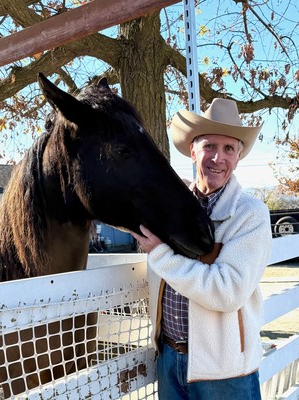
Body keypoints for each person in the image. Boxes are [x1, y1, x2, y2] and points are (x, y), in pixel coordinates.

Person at [131, 98, 272, 400]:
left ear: (238, 157)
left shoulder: (250, 214)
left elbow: (227, 291)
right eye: (209, 146)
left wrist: (161, 255)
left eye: (229, 149)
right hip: (170, 358)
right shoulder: (169, 205)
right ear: (193, 150)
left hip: (224, 372)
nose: (218, 158)